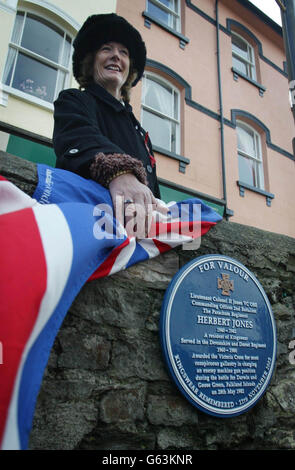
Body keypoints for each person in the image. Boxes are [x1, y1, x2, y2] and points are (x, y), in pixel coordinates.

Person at [53, 13, 165, 238]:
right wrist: (119, 171)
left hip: (139, 235)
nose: (116, 56)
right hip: (90, 228)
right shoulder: (74, 100)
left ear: (129, 68)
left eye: (123, 52)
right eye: (106, 49)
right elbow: (78, 135)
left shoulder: (140, 132)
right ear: (91, 60)